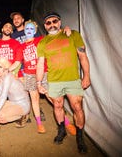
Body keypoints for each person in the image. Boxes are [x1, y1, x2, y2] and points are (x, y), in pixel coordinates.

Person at [36, 11, 91, 153]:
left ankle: (80, 137)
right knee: (58, 105)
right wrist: (38, 83)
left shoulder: (73, 34)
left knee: (77, 107)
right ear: (45, 26)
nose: (52, 24)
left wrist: (87, 76)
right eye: (48, 23)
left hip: (72, 79)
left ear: (59, 22)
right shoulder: (42, 42)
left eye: (54, 21)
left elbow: (82, 56)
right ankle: (62, 131)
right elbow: (41, 64)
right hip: (54, 81)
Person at [22, 20, 76, 135]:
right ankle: (39, 124)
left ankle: (66, 123)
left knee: (52, 98)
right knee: (34, 99)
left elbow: (54, 36)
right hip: (29, 74)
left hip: (44, 73)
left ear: (35, 30)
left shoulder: (41, 40)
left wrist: (64, 30)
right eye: (27, 29)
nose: (29, 31)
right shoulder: (21, 46)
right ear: (24, 30)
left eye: (32, 29)